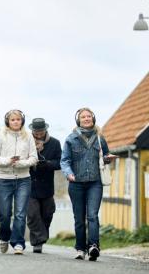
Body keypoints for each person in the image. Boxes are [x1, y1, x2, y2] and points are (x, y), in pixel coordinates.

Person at [60, 107, 117, 261]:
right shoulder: (71, 139)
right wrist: (68, 173)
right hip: (76, 183)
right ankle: (80, 248)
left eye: (89, 116)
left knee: (92, 215)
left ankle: (93, 246)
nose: (86, 119)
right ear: (78, 120)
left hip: (95, 183)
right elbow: (64, 161)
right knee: (79, 217)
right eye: (83, 117)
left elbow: (104, 156)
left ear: (93, 118)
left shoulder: (100, 138)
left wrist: (108, 158)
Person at [0, 110, 38, 255]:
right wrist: (7, 161)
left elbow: (34, 158)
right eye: (13, 120)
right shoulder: (1, 135)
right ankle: (5, 237)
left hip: (23, 180)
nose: (16, 122)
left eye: (18, 119)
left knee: (20, 214)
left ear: (22, 121)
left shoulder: (28, 136)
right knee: (4, 214)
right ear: (8, 122)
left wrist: (20, 163)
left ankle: (18, 243)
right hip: (4, 179)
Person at [27, 118, 62, 253]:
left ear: (45, 130)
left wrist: (47, 164)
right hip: (29, 184)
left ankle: (41, 236)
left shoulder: (55, 143)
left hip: (47, 185)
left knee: (47, 213)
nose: (39, 133)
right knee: (32, 215)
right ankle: (38, 241)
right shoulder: (26, 142)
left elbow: (59, 162)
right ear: (32, 131)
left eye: (41, 131)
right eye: (36, 131)